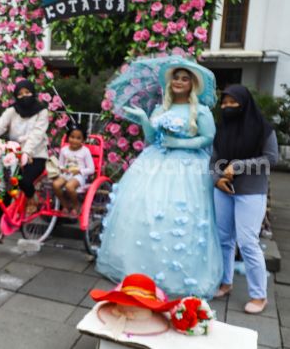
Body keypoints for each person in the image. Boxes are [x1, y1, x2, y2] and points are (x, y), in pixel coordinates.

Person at [95, 65, 223, 299]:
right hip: (153, 162)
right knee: (145, 210)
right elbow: (151, 138)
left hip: (187, 168)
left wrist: (180, 144)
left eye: (185, 79)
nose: (179, 82)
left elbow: (208, 137)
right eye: (176, 78)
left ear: (192, 84)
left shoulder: (201, 110)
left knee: (178, 214)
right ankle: (140, 269)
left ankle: (176, 275)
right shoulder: (160, 108)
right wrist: (145, 119)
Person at [211, 85, 278, 314]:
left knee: (248, 242)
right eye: (224, 103)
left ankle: (259, 296)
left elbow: (271, 159)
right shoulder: (222, 129)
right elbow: (213, 160)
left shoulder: (263, 129)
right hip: (223, 190)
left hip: (250, 191)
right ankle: (225, 282)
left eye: (233, 102)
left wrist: (238, 166)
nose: (227, 107)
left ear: (245, 103)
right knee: (224, 240)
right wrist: (217, 179)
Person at [0, 79, 49, 242]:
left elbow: (37, 134)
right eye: (20, 94)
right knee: (5, 189)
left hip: (36, 155)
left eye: (27, 92)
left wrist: (27, 151)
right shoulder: (12, 111)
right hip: (14, 154)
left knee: (25, 181)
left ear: (33, 92)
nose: (24, 96)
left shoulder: (42, 112)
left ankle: (32, 199)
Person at [52, 125, 95, 215]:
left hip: (79, 175)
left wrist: (79, 171)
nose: (74, 140)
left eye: (78, 138)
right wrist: (63, 169)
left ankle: (76, 205)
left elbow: (91, 169)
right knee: (56, 185)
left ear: (83, 140)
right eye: (72, 137)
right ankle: (65, 205)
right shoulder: (64, 150)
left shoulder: (85, 151)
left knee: (69, 186)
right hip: (66, 174)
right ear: (68, 138)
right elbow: (60, 164)